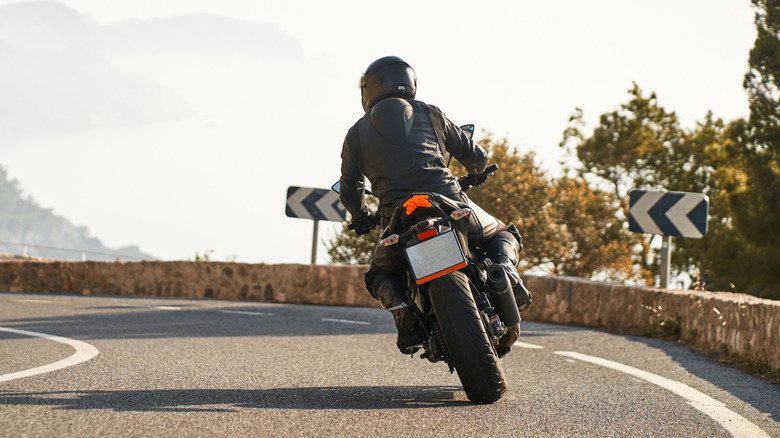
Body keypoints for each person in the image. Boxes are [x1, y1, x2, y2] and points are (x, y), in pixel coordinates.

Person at [339, 56, 524, 353]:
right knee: (503, 233)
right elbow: (473, 154)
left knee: (378, 275)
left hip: (397, 216)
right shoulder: (429, 113)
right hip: (448, 200)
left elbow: (350, 189)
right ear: (409, 82)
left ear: (368, 89)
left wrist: (361, 215)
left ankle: (403, 310)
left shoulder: (356, 134)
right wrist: (477, 173)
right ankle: (503, 271)